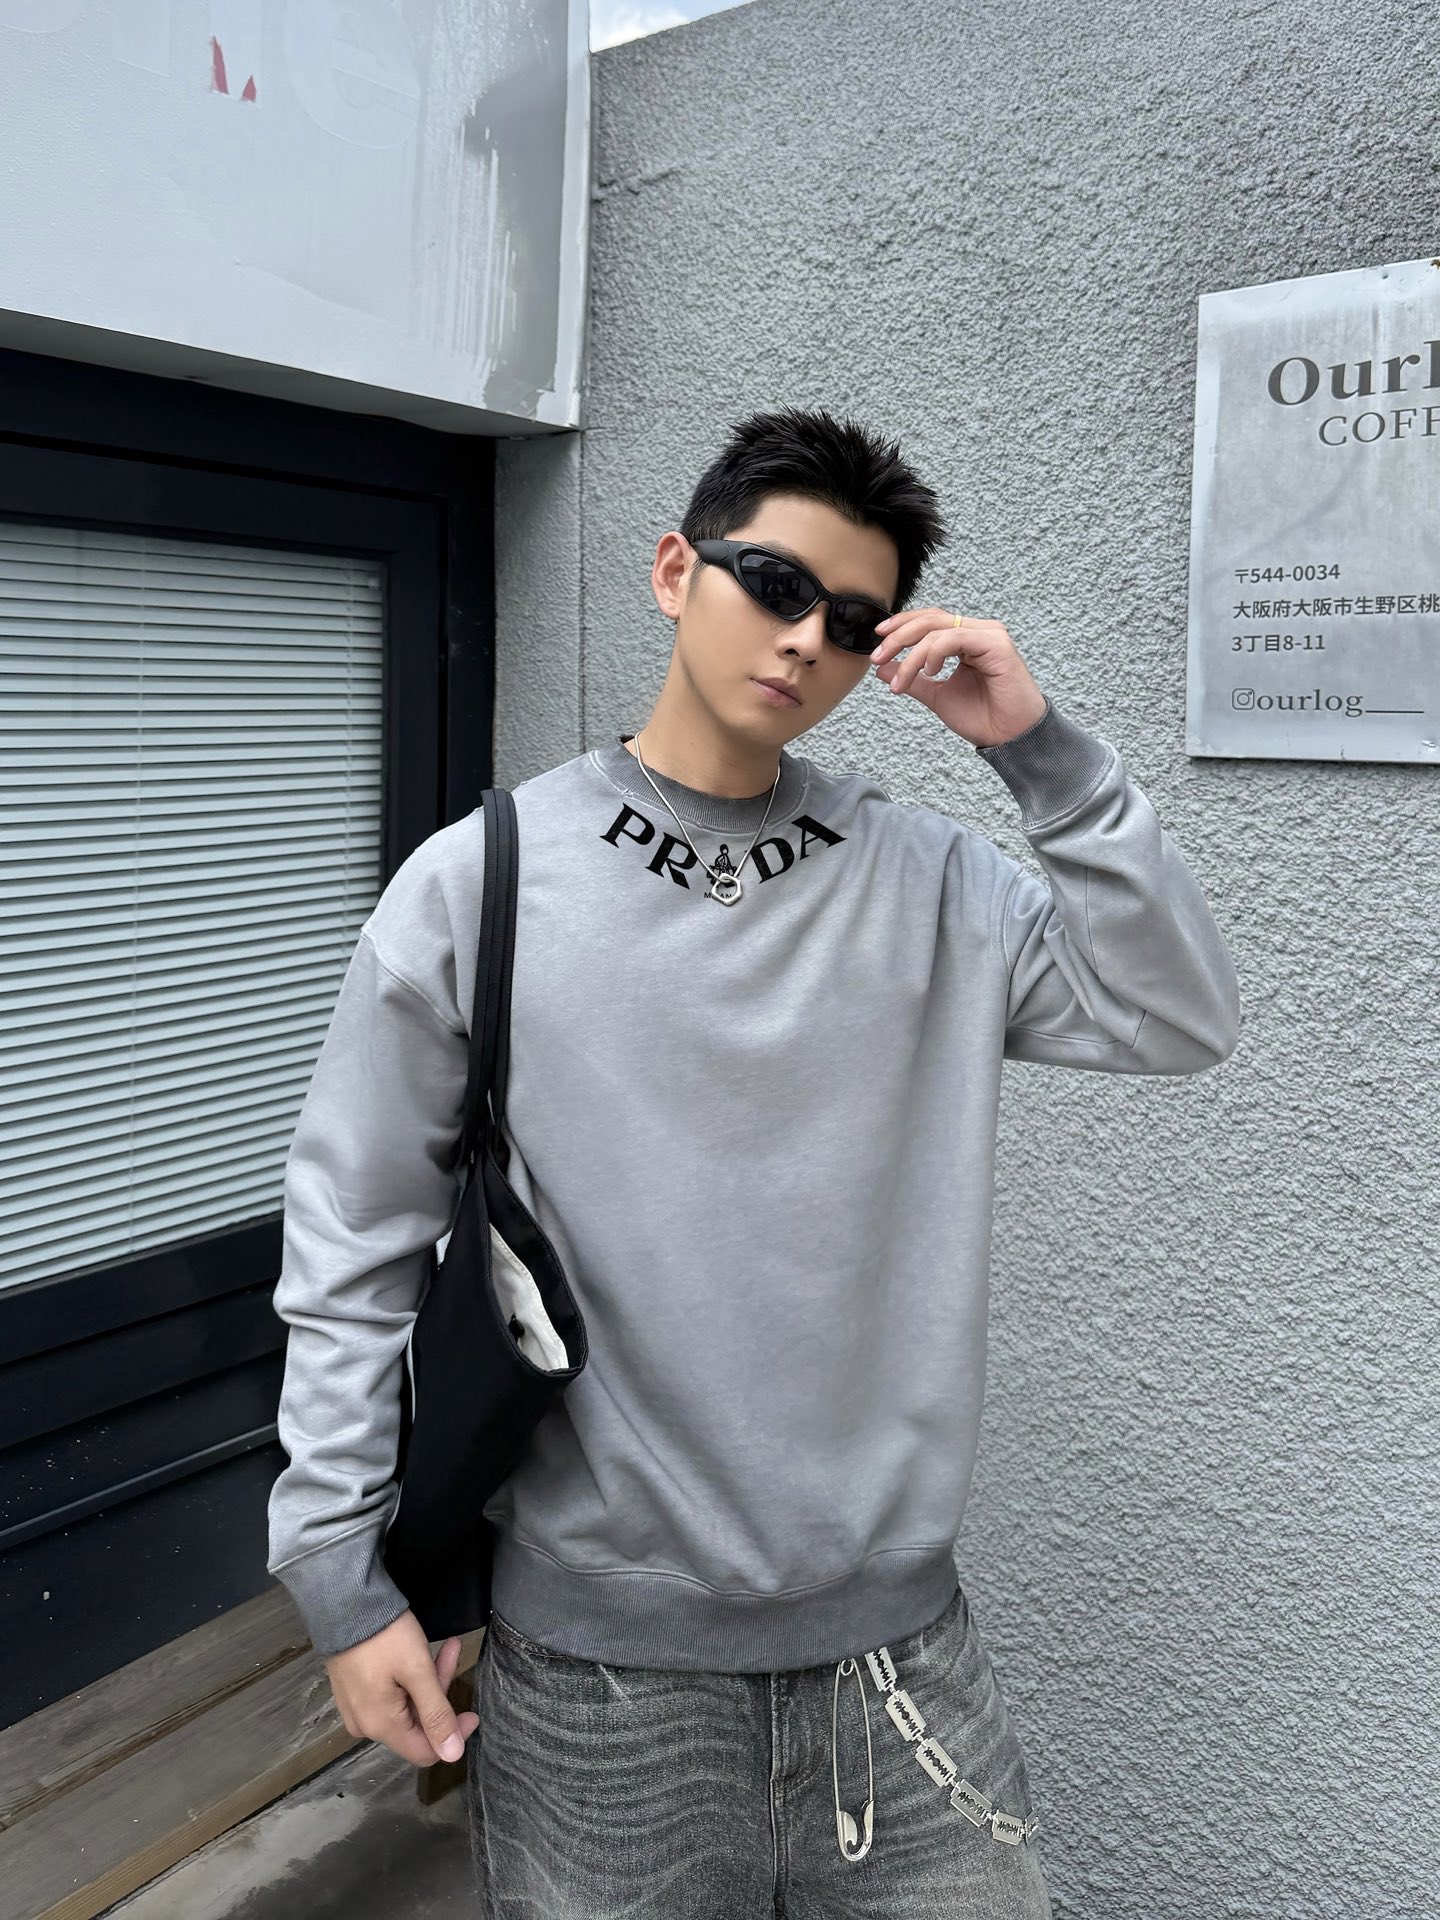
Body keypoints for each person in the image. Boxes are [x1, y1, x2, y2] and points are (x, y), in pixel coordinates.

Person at [266, 404, 1242, 1916]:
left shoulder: (931, 881)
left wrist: (1042, 757)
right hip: (595, 1685)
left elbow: (1174, 1013)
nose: (804, 640)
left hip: (901, 1661)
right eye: (775, 583)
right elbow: (354, 1238)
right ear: (676, 571)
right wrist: (341, 1570)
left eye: (851, 621)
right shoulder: (483, 882)